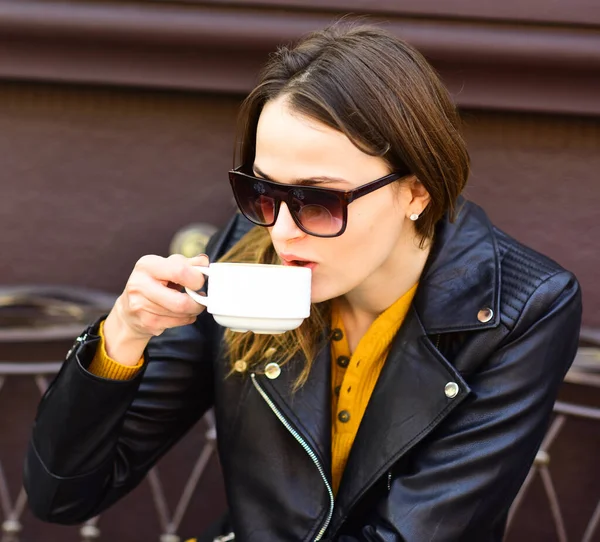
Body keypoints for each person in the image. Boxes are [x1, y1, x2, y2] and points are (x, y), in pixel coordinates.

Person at [24, 21, 582, 542]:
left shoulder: (522, 308)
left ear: (417, 192)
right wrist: (123, 336)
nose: (283, 232)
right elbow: (64, 494)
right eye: (262, 193)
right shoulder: (244, 258)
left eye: (319, 200)